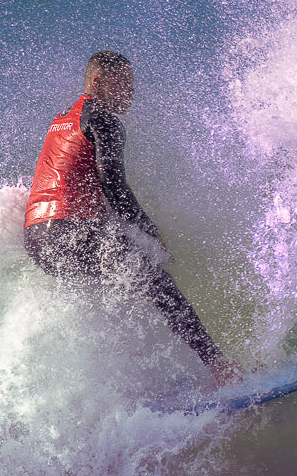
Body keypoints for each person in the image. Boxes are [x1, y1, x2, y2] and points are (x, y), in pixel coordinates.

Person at [23, 50, 241, 386]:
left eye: (131, 82)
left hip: (38, 239)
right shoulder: (103, 119)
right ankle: (223, 371)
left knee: (124, 288)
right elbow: (114, 186)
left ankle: (125, 386)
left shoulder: (63, 118)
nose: (131, 91)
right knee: (158, 282)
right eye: (123, 83)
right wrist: (149, 232)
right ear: (98, 83)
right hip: (67, 233)